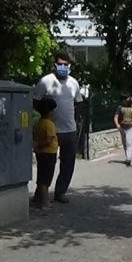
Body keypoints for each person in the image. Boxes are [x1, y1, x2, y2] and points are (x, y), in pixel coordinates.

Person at [33, 52, 84, 203]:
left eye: (66, 64)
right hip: (50, 129)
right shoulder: (45, 82)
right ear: (54, 65)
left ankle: (60, 192)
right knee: (47, 164)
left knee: (68, 164)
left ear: (69, 66)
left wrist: (78, 120)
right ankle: (40, 193)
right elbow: (35, 101)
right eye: (60, 64)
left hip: (69, 129)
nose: (63, 67)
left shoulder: (73, 83)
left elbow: (79, 103)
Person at [32, 98, 58, 208]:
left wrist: (37, 146)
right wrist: (40, 144)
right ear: (50, 111)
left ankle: (37, 197)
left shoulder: (38, 123)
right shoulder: (49, 124)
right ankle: (45, 202)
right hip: (49, 153)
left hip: (40, 154)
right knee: (45, 179)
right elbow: (49, 139)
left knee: (41, 176)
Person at [114, 96, 132, 166]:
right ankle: (127, 156)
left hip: (130, 127)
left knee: (129, 142)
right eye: (126, 99)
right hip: (122, 127)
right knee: (124, 143)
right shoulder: (120, 108)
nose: (128, 100)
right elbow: (116, 117)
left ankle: (128, 158)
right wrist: (117, 125)